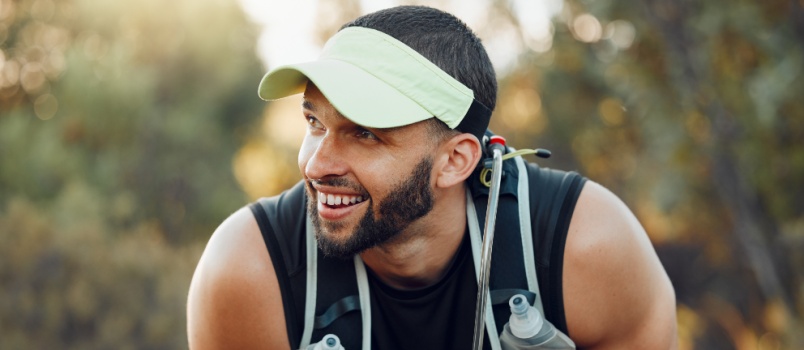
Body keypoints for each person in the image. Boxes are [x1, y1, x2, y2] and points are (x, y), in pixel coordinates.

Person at [187, 5, 677, 350]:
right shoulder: (249, 273)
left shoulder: (584, 249)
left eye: (365, 134)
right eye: (315, 123)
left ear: (456, 161)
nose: (316, 166)